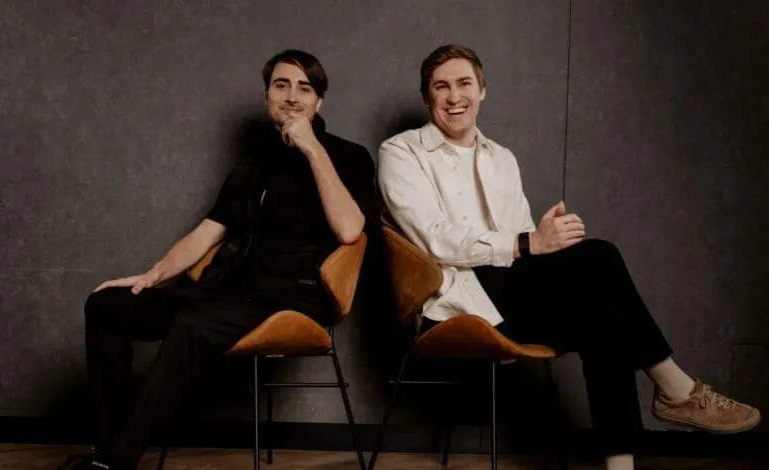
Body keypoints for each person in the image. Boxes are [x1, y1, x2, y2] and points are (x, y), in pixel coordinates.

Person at [376, 44, 760, 470]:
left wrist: (548, 245)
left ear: (482, 90)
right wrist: (529, 243)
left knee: (602, 308)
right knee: (600, 258)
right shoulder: (401, 152)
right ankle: (674, 387)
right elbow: (433, 238)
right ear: (426, 96)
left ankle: (621, 465)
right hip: (452, 301)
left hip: (510, 296)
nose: (454, 97)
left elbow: (524, 243)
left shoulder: (502, 158)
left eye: (464, 83)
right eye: (441, 87)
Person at [60, 49, 378, 470]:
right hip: (229, 291)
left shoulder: (349, 156)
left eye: (305, 88)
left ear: (319, 101)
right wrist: (152, 275)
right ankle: (105, 451)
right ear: (267, 96)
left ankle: (116, 462)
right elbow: (209, 230)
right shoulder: (256, 162)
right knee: (106, 305)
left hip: (294, 299)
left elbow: (350, 230)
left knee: (193, 325)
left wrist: (312, 149)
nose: (292, 97)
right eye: (281, 85)